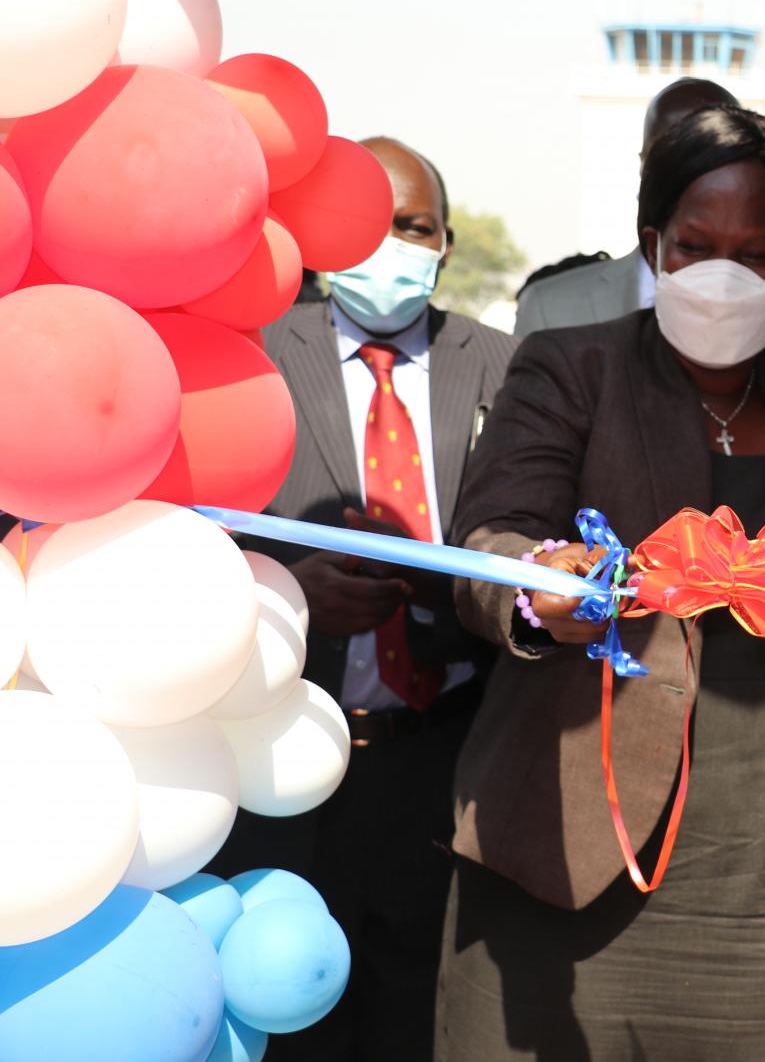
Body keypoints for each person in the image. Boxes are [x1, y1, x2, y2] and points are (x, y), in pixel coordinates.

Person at [437, 106, 765, 1062]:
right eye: (696, 246)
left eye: (755, 254)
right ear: (651, 244)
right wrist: (543, 591)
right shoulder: (571, 370)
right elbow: (490, 547)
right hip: (566, 878)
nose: (723, 276)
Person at [207, 137, 518, 1062]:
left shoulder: (505, 364)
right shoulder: (250, 356)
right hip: (284, 761)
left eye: (414, 227)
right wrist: (290, 594)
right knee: (294, 1019)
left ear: (447, 244)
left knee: (428, 1021)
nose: (392, 247)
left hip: (448, 761)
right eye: (370, 227)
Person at [512, 78, 765, 336]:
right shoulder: (550, 309)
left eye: (713, 155)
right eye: (670, 157)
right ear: (644, 165)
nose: (690, 173)